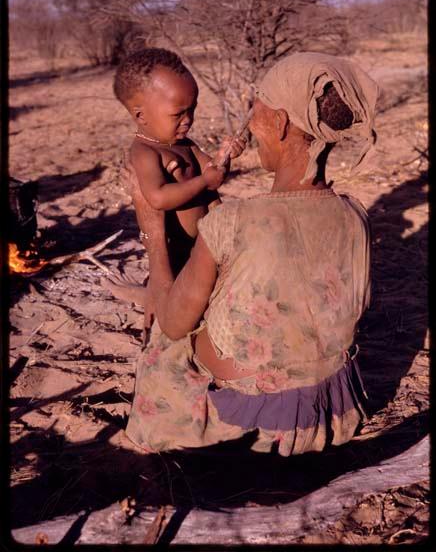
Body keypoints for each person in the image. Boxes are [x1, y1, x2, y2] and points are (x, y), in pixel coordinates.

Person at [123, 51, 379, 457]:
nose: (251, 126)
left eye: (256, 112)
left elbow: (174, 324)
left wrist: (152, 230)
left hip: (251, 422)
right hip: (328, 407)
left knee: (163, 343)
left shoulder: (234, 222)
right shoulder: (356, 216)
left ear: (279, 123)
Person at [104, 48, 245, 330]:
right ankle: (149, 296)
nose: (188, 119)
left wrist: (224, 158)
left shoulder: (185, 143)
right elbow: (157, 197)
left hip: (206, 240)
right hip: (179, 247)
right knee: (186, 302)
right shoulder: (145, 153)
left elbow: (211, 171)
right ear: (141, 116)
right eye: (178, 113)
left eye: (192, 109)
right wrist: (205, 182)